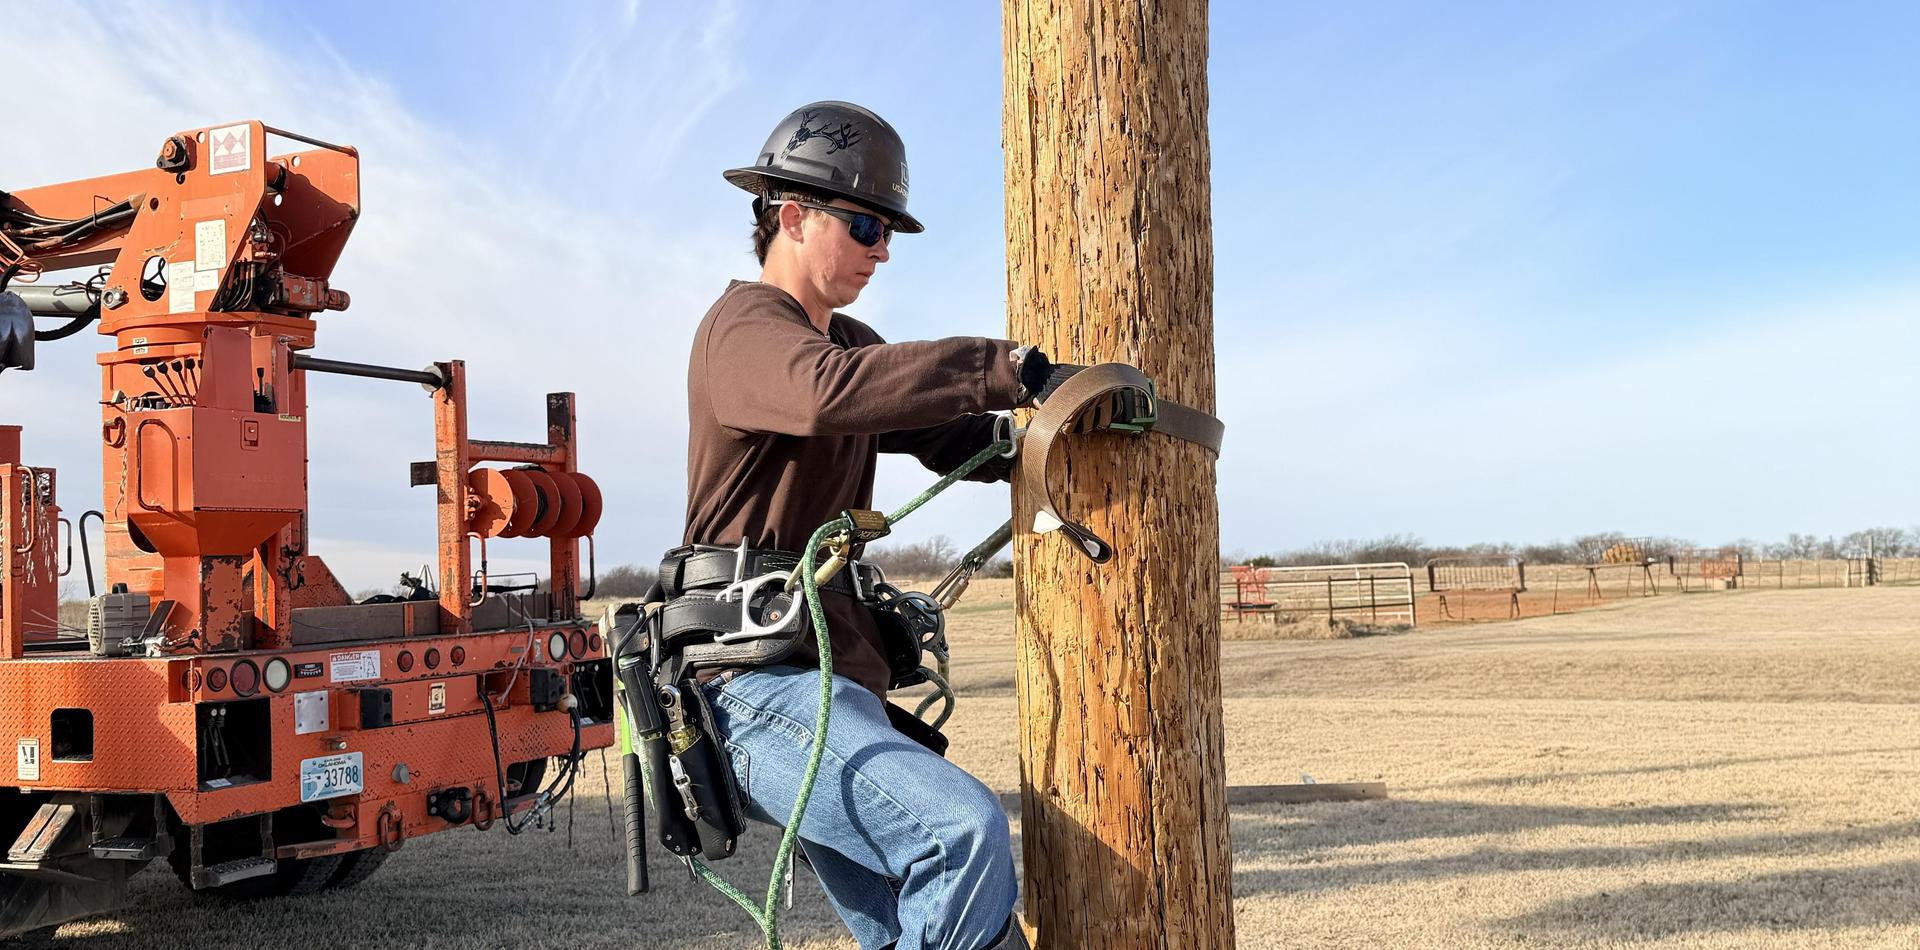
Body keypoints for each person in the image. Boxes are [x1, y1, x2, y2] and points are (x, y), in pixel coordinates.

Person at [673, 101, 1052, 950]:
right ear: (794, 215)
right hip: (754, 688)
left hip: (833, 686)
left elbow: (956, 437)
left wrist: (1053, 425)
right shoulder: (744, 331)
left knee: (901, 925)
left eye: (888, 233)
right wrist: (1005, 367)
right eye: (867, 225)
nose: (882, 251)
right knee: (959, 837)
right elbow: (827, 392)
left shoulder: (847, 342)